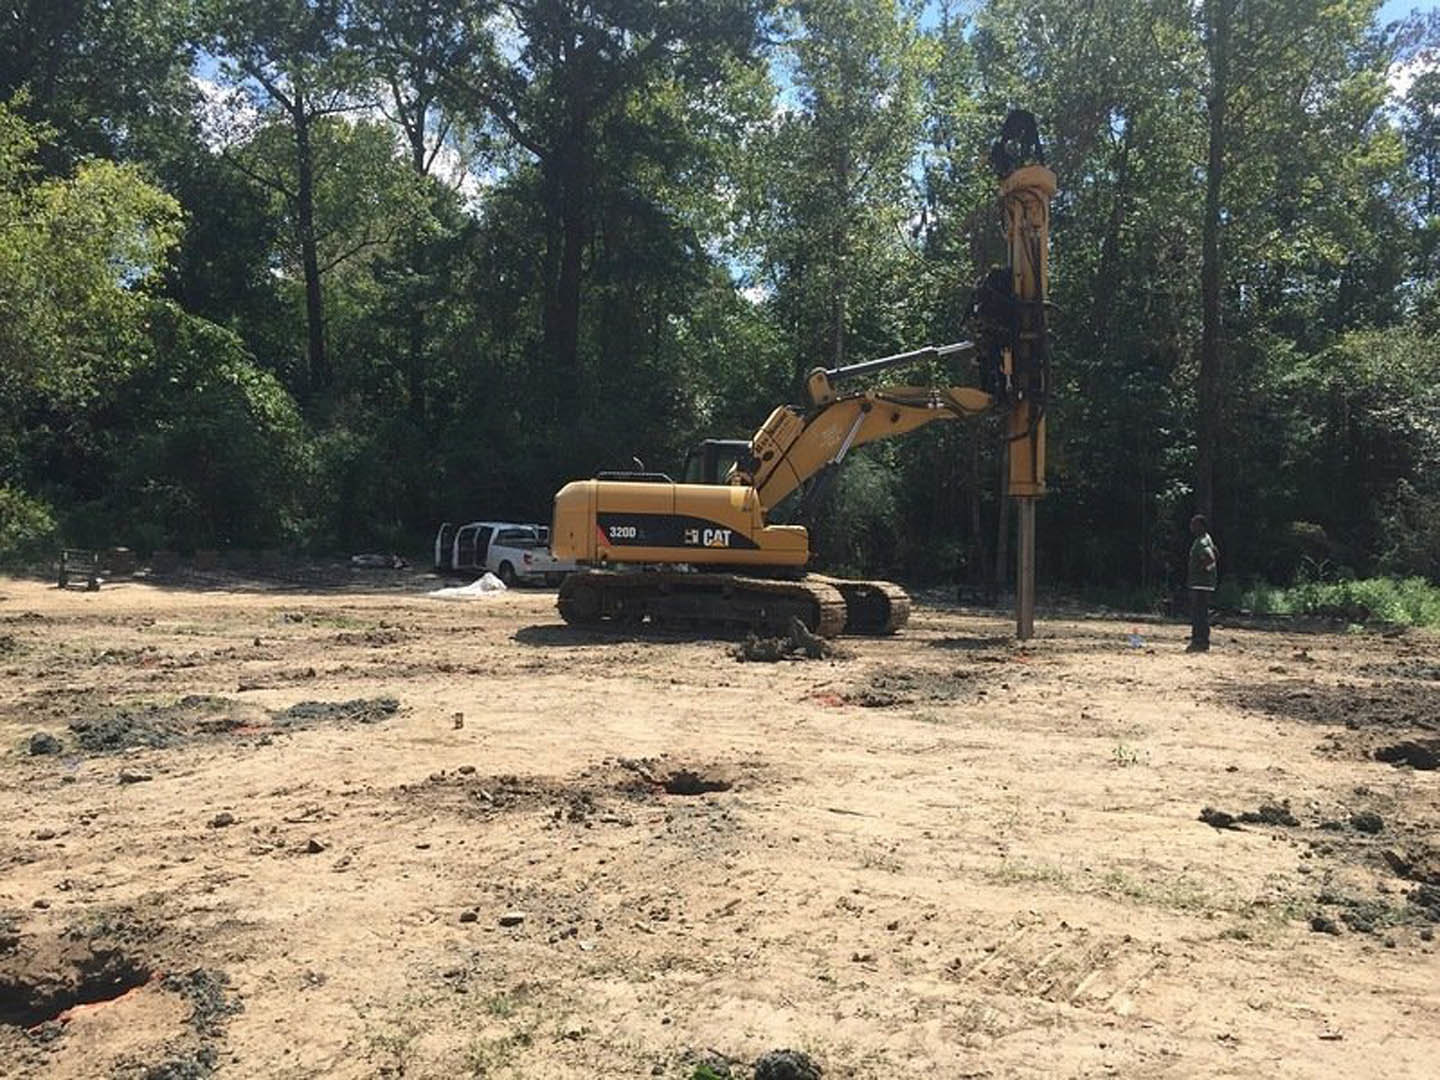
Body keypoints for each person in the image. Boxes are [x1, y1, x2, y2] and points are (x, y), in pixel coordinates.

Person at [1187, 513, 1218, 652]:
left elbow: (1211, 558)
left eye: (1195, 524)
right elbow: (1216, 554)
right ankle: (1201, 639)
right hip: (1203, 583)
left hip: (1200, 584)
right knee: (1201, 612)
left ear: (1202, 526)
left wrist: (1203, 570)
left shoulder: (1202, 542)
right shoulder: (1206, 539)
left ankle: (1200, 640)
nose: (1192, 527)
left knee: (1199, 613)